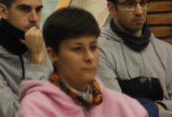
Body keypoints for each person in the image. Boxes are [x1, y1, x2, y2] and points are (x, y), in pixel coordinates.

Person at [18, 7, 147, 117]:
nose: (89, 57)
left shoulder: (128, 108)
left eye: (93, 47)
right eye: (77, 49)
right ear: (52, 54)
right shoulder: (36, 109)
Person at [97, 0, 172, 116]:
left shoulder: (167, 51)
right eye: (130, 4)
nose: (139, 11)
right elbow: (116, 110)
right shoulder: (97, 51)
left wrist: (152, 107)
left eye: (143, 3)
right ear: (112, 8)